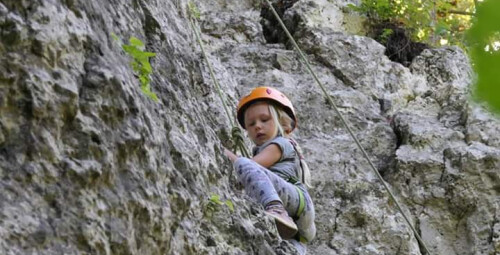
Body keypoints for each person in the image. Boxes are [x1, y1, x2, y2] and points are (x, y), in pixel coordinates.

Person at [224, 87, 316, 254]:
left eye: (264, 120)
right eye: (251, 124)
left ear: (282, 122)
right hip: (298, 217)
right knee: (288, 248)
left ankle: (275, 207)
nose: (257, 126)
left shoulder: (281, 144)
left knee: (244, 165)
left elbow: (252, 166)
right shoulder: (270, 147)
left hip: (295, 198)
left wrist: (224, 153)